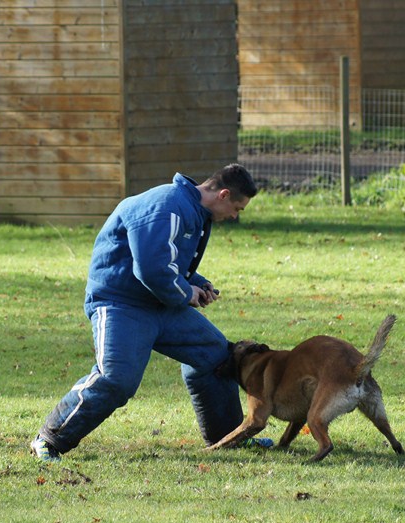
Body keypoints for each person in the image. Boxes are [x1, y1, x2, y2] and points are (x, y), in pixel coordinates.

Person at [30, 164, 260, 462]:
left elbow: (168, 262)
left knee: (216, 356)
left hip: (158, 303)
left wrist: (196, 283)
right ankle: (50, 439)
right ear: (224, 194)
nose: (235, 216)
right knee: (117, 379)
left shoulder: (189, 210)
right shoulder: (166, 207)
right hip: (120, 303)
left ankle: (227, 438)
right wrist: (186, 293)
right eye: (237, 208)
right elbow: (152, 271)